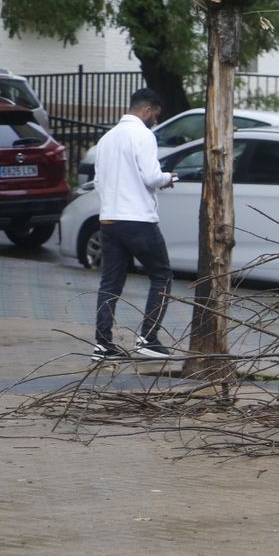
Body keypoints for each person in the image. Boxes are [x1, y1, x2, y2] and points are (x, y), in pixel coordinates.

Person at [91, 88, 179, 361]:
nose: (155, 121)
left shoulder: (107, 138)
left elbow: (98, 181)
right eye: (155, 115)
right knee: (162, 275)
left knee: (110, 282)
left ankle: (103, 344)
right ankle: (148, 338)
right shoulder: (143, 135)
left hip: (109, 219)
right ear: (147, 110)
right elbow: (152, 177)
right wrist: (168, 177)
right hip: (138, 220)